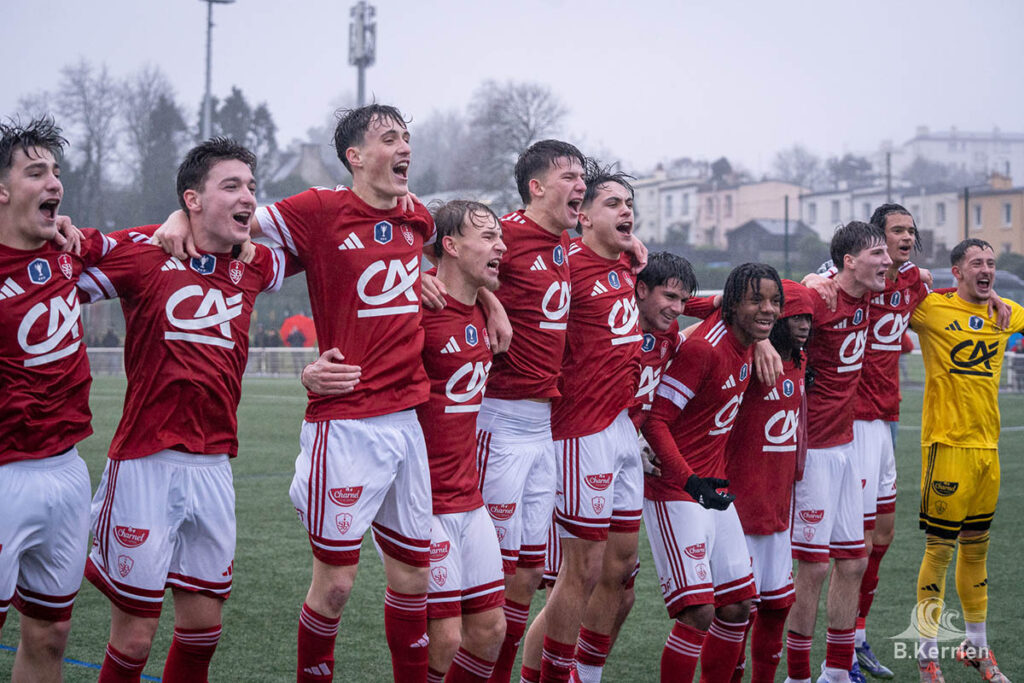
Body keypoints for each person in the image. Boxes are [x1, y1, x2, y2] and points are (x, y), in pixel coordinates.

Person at [78, 138, 285, 682]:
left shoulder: (254, 264)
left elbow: (330, 251)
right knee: (135, 635)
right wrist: (167, 222)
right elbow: (67, 266)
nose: (248, 197)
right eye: (231, 186)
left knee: (203, 631)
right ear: (193, 199)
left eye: (251, 187)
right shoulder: (150, 252)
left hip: (215, 467)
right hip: (146, 462)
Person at [304, 199, 509, 682]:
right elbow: (357, 352)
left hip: (469, 497)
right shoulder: (414, 311)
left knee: (490, 632)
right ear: (450, 246)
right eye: (488, 237)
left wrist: (491, 300)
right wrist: (312, 374)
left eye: (500, 237)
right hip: (420, 498)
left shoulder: (482, 308)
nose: (501, 246)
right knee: (446, 638)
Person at [527, 250, 697, 682]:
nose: (677, 308)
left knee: (621, 588)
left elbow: (705, 322)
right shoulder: (598, 323)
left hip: (620, 448)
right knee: (569, 585)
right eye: (669, 297)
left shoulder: (667, 338)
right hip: (577, 444)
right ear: (638, 290)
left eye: (683, 300)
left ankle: (585, 675)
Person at [518, 165, 644, 683]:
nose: (626, 211)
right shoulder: (565, 265)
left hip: (622, 429)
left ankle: (584, 676)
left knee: (620, 571)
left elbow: (672, 297)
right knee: (580, 572)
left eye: (629, 203)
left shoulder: (629, 264)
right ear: (584, 216)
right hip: (578, 432)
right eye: (612, 203)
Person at [0, 117, 115, 681]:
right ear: (2, 190)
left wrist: (175, 218)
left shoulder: (71, 254)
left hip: (66, 470)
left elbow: (145, 250)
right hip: (3, 473)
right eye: (36, 172)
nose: (54, 183)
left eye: (56, 172)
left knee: (51, 635)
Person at [642, 263, 782, 683]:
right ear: (732, 304)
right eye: (756, 300)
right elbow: (656, 422)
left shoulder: (748, 342)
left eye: (774, 301)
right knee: (698, 611)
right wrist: (688, 479)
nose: (768, 309)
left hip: (712, 488)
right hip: (675, 489)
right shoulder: (704, 349)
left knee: (739, 605)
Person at [909, 238, 1022, 683]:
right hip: (946, 446)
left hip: (988, 450)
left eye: (991, 263)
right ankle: (926, 656)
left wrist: (998, 299)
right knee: (939, 549)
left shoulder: (1005, 313)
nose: (986, 270)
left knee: (978, 548)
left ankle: (977, 648)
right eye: (977, 263)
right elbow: (890, 296)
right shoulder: (932, 310)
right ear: (956, 271)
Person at [786, 221, 892, 683]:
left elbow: (915, 276)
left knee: (853, 561)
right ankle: (797, 675)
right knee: (812, 569)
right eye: (877, 254)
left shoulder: (869, 292)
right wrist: (809, 281)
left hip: (847, 447)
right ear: (848, 262)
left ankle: (835, 672)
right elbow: (765, 306)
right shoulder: (817, 298)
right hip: (812, 453)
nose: (887, 261)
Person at [725, 280, 813, 683]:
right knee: (735, 614)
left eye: (808, 317)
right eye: (795, 317)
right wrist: (758, 342)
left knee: (777, 609)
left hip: (778, 510)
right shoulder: (747, 356)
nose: (804, 325)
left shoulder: (800, 359)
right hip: (739, 510)